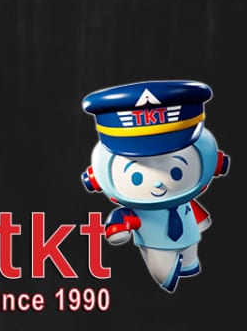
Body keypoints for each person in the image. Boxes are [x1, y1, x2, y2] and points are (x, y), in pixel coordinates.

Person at [81, 80, 229, 292]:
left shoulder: (192, 187)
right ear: (97, 177)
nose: (159, 181)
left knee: (191, 268)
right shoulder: (132, 206)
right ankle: (169, 275)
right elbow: (120, 223)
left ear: (215, 163)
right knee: (164, 270)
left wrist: (201, 220)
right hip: (155, 246)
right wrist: (119, 228)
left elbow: (193, 213)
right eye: (138, 176)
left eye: (175, 171)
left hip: (190, 243)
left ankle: (188, 267)